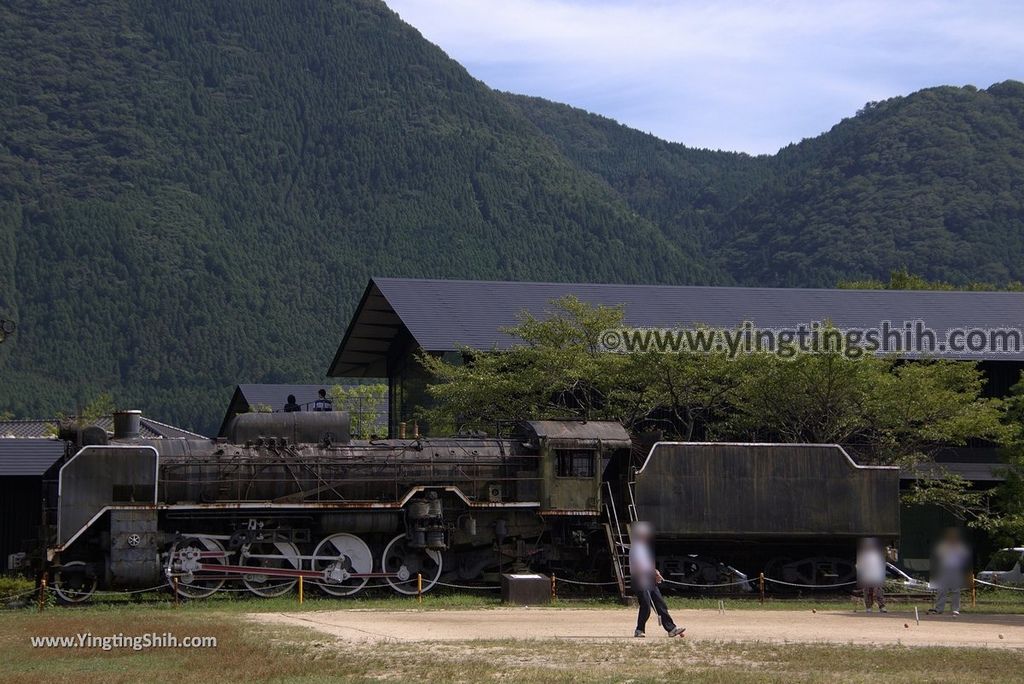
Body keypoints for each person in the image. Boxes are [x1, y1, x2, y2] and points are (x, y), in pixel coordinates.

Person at [628, 522, 685, 638]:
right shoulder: (636, 547)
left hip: (648, 577)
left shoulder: (643, 547)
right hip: (640, 578)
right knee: (646, 605)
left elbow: (647, 564)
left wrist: (655, 572)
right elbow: (639, 564)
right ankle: (639, 630)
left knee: (660, 603)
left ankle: (671, 629)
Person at [928, 527, 971, 616]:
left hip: (956, 569)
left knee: (956, 590)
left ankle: (955, 609)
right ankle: (939, 609)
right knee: (942, 589)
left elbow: (964, 556)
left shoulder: (960, 546)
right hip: (944, 568)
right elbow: (939, 555)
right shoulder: (943, 545)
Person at [856, 537, 887, 613]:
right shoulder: (863, 555)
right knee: (867, 592)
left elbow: (881, 565)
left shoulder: (877, 555)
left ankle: (882, 606)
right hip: (867, 576)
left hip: (876, 576)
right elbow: (859, 566)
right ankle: (868, 607)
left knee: (878, 592)